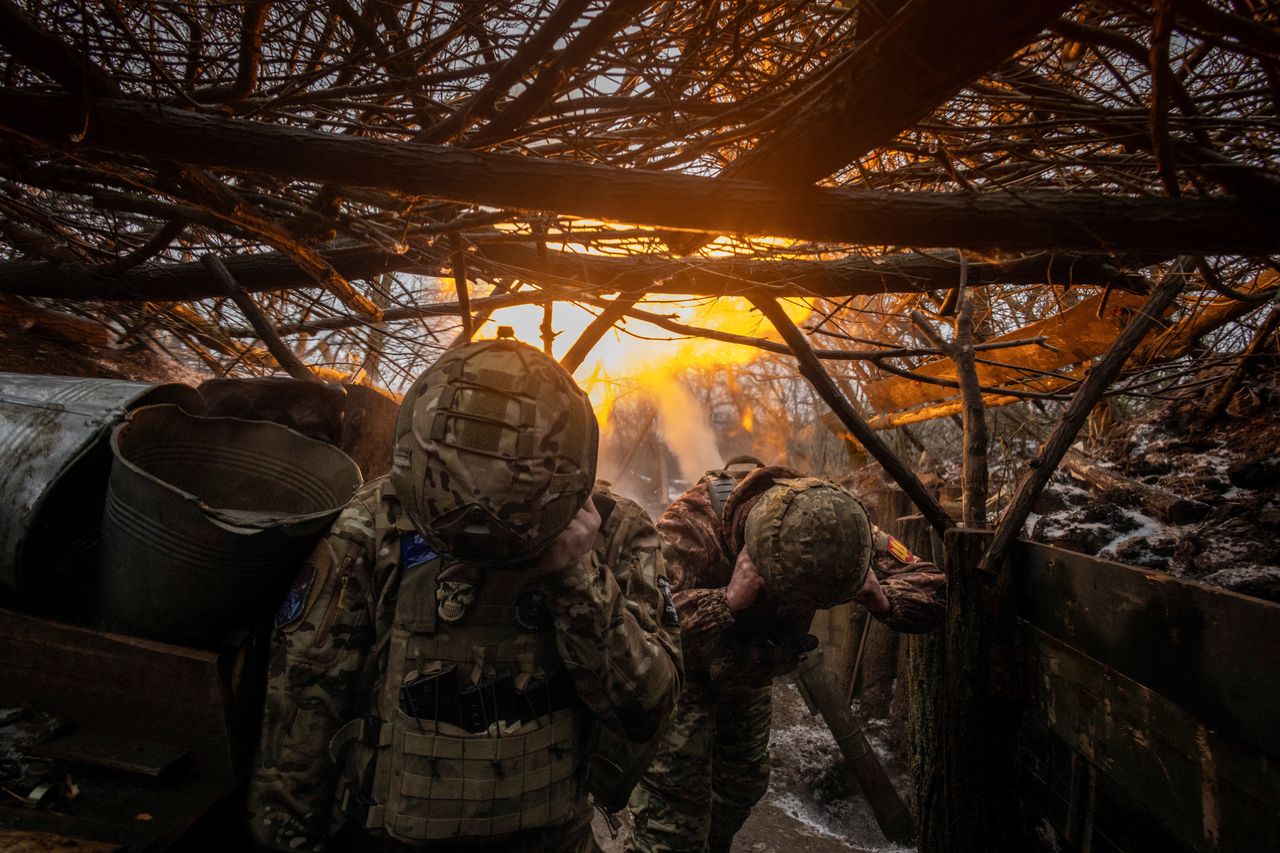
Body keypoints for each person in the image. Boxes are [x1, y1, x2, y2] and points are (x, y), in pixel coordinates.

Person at [247, 339, 683, 853]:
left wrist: (577, 578)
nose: (481, 501)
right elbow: (302, 696)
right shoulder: (376, 522)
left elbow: (648, 709)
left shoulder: (615, 532)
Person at [625, 462, 945, 853]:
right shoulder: (689, 527)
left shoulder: (835, 525)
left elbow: (933, 587)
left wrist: (884, 598)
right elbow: (642, 623)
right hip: (684, 679)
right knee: (673, 815)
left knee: (740, 788)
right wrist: (725, 601)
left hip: (748, 674)